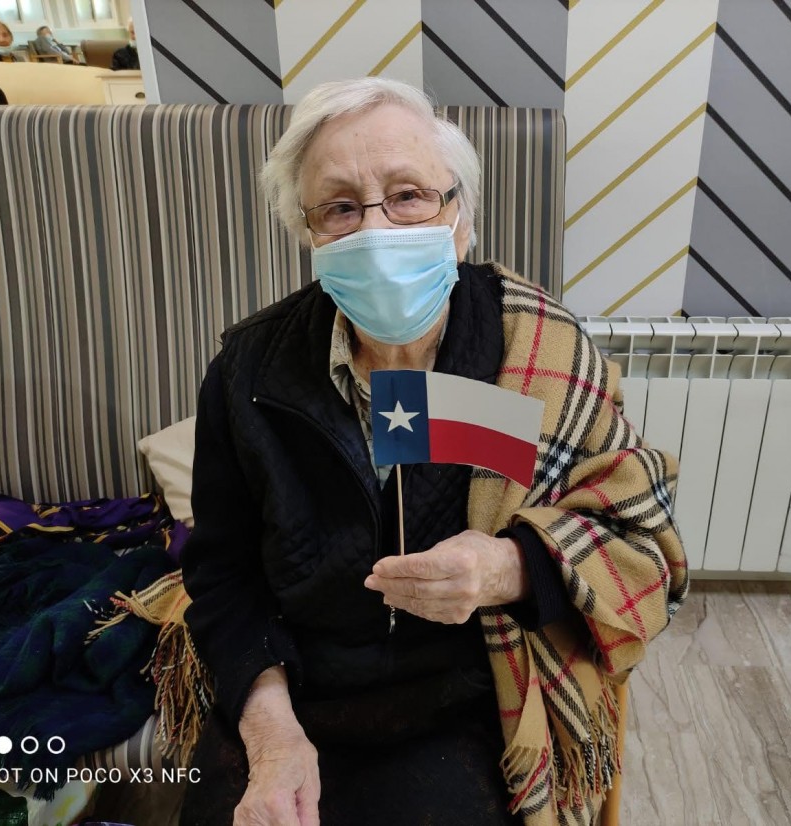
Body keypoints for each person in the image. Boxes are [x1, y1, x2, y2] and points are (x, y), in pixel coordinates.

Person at [178, 77, 688, 826]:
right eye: (340, 207)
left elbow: (646, 548)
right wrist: (271, 731)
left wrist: (510, 567)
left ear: (460, 220)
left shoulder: (537, 353)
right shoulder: (248, 372)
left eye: (409, 196)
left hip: (468, 692)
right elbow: (221, 573)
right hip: (293, 686)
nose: (377, 230)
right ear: (307, 233)